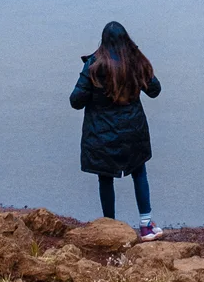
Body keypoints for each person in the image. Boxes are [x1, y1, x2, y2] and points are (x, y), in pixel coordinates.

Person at [70, 21, 163, 239]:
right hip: (133, 130)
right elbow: (155, 91)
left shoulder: (94, 65)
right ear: (127, 40)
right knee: (139, 173)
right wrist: (138, 57)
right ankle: (146, 225)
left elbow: (75, 101)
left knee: (105, 178)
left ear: (103, 41)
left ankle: (110, 226)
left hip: (102, 133)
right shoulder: (135, 62)